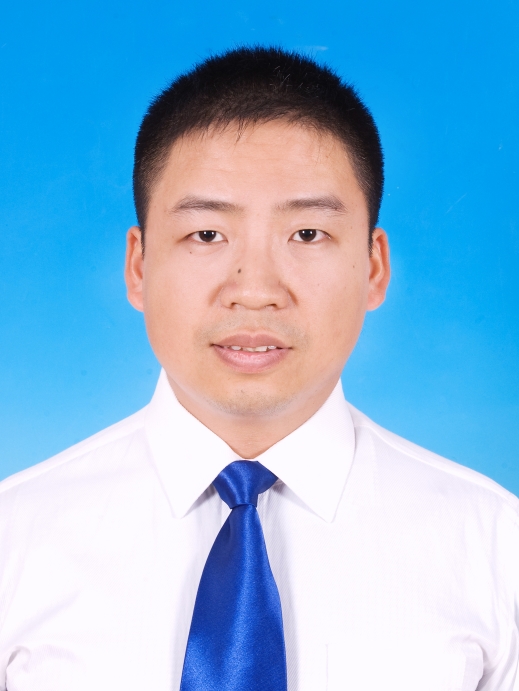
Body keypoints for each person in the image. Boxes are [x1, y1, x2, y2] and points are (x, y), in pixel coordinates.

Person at [0, 46, 517, 691]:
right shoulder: (14, 538)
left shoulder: (494, 548)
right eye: (207, 235)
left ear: (373, 267)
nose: (254, 290)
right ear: (138, 266)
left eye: (307, 234)